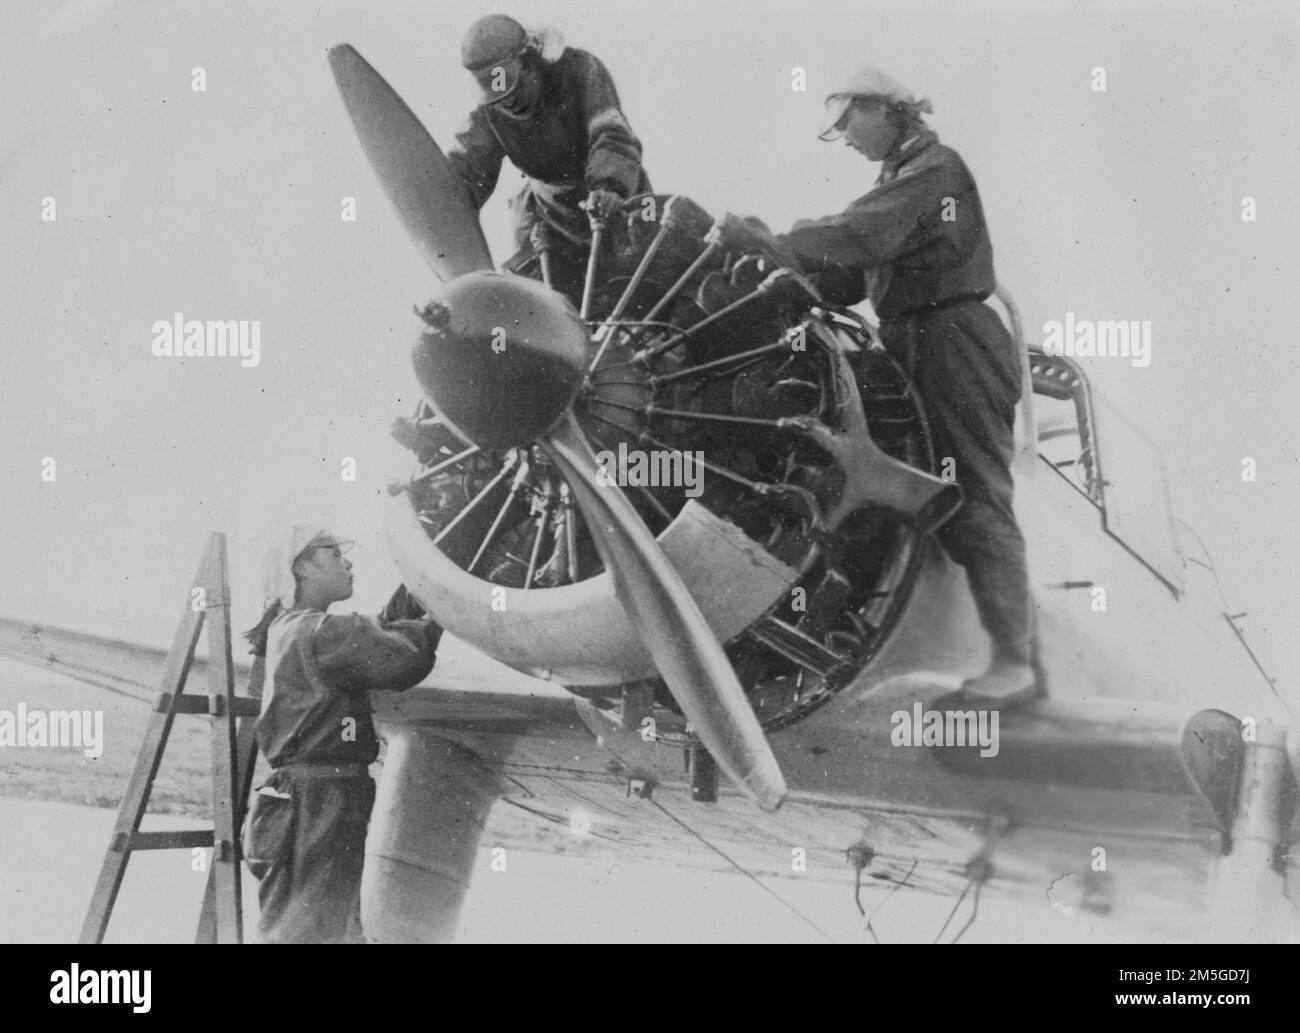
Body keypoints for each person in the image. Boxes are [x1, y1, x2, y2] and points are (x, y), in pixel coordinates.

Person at [761, 66, 1036, 706]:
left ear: (885, 109)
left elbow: (860, 236)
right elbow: (852, 278)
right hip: (910, 340)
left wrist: (778, 243)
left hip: (954, 339)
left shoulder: (937, 171)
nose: (846, 140)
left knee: (976, 493)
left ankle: (1014, 661)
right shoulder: (899, 180)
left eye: (848, 124)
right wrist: (783, 280)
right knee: (886, 481)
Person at [241, 525, 442, 943]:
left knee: (327, 930)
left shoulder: (297, 628)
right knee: (309, 935)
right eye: (333, 554)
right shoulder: (319, 632)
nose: (347, 562)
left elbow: (377, 633)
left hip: (311, 798)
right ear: (300, 569)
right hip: (318, 801)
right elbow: (403, 657)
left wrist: (428, 576)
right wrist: (445, 599)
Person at [446, 14, 652, 302]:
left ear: (532, 62)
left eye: (513, 85)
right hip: (548, 224)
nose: (507, 101)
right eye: (495, 92)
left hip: (616, 206)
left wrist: (609, 187)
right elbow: (464, 174)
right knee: (537, 307)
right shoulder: (488, 115)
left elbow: (610, 132)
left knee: (643, 288)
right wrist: (442, 207)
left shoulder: (580, 70)